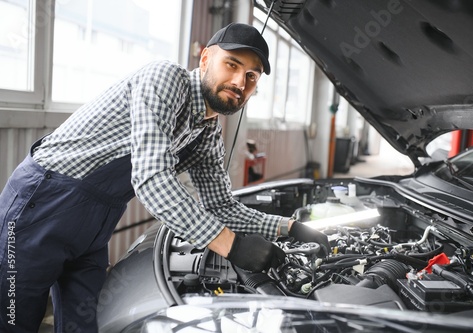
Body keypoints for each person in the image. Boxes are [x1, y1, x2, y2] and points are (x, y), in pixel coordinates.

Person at [0, 23, 329, 332]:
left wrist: (288, 227)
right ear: (205, 59)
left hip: (96, 224)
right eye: (232, 65)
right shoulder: (165, 79)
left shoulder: (208, 133)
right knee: (15, 318)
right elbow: (151, 178)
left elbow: (222, 206)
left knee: (87, 323)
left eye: (251, 76)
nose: (240, 82)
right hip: (41, 206)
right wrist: (234, 247)